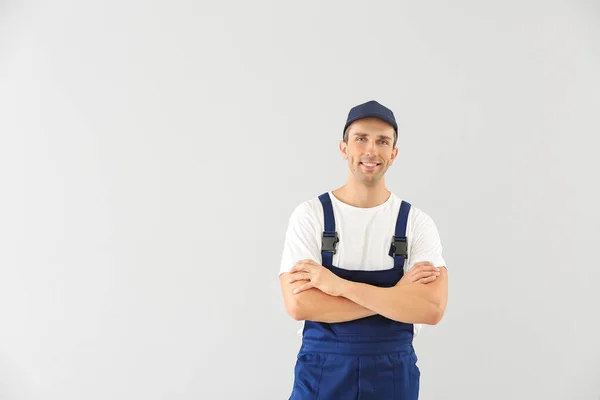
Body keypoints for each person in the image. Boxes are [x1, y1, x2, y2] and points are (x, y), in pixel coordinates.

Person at [278, 100, 449, 399]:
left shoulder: (415, 223)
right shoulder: (311, 216)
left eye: (382, 141)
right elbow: (299, 306)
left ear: (393, 154)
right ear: (344, 148)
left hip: (392, 375)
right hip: (322, 375)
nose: (371, 150)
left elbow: (431, 309)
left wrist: (337, 286)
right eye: (361, 139)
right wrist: (396, 298)